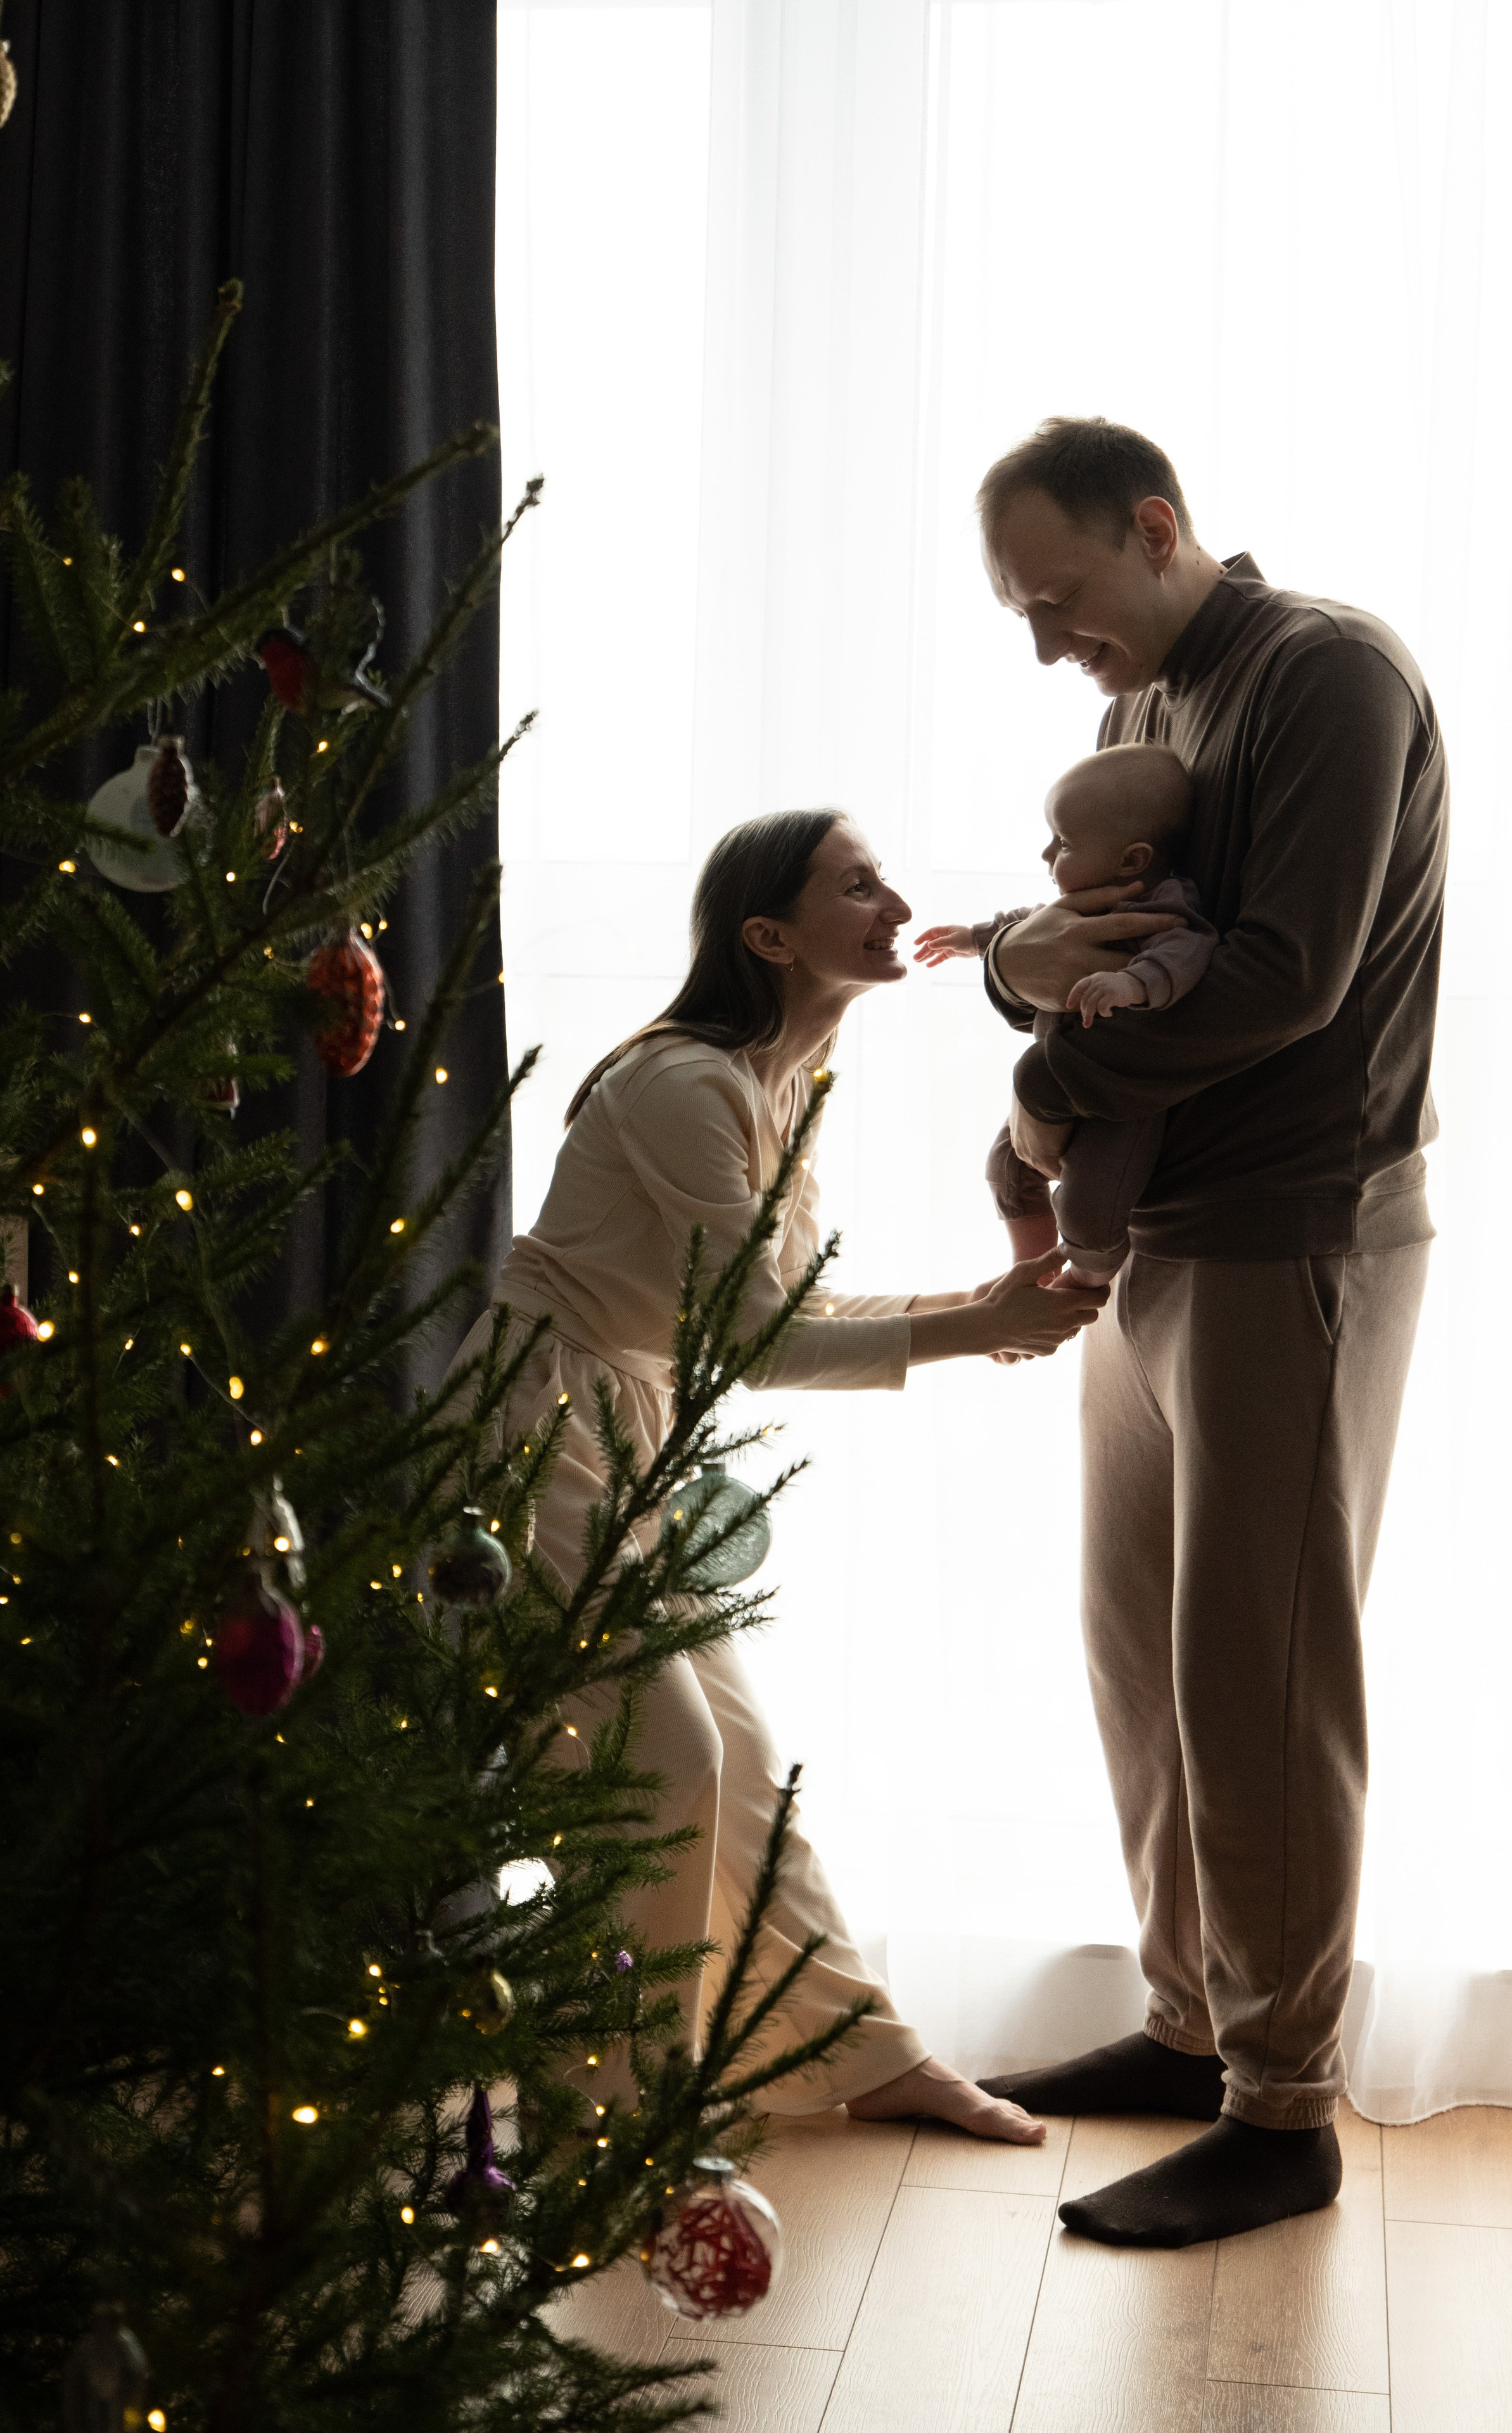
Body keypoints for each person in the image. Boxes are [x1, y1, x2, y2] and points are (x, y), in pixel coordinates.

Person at [964, 416, 1445, 2247]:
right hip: (1153, 1238)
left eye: (1059, 600)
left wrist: (1036, 1065)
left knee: (1264, 1677)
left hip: (1296, 1235)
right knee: (1142, 1662)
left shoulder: (1325, 677)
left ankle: (1286, 2105)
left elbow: (1281, 976)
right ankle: (1193, 2024)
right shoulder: (1140, 719)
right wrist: (1022, 968)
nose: (1046, 646)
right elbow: (1079, 932)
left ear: (1156, 528)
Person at [453, 808, 1102, 2143]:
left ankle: (870, 2059)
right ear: (767, 935)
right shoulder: (686, 1083)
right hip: (532, 1424)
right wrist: (973, 1330)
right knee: (660, 1756)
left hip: (619, 1420)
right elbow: (744, 1339)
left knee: (738, 1763)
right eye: (853, 884)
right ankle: (607, 2099)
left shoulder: (781, 1083)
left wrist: (972, 1305)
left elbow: (771, 1299)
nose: (890, 900)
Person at [915, 742, 1216, 1287]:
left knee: (1089, 1207)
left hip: (1117, 1099)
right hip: (1060, 1076)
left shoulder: (1165, 905)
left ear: (1134, 859)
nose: (1046, 855)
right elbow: (1031, 921)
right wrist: (977, 939)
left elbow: (1189, 952)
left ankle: (1087, 1272)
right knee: (1004, 1168)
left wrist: (1131, 983)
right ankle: (1028, 1270)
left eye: (1064, 843)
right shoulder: (1089, 898)